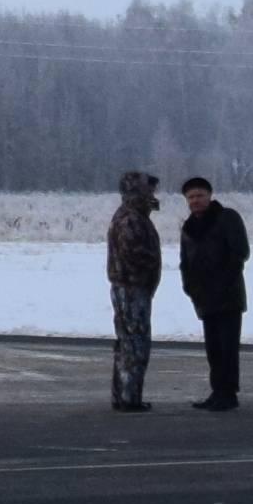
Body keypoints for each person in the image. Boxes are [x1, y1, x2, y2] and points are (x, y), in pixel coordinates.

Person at [173, 176, 253, 410]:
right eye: (191, 197)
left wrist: (223, 283)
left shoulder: (227, 218)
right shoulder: (188, 226)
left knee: (228, 348)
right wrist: (189, 286)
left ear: (209, 196)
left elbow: (239, 252)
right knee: (213, 349)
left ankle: (229, 393)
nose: (195, 201)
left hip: (228, 295)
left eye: (199, 196)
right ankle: (217, 390)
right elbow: (184, 261)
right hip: (203, 296)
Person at [100, 174, 165, 413]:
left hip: (129, 287)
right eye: (148, 189)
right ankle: (129, 397)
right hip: (132, 288)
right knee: (135, 342)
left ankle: (125, 395)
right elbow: (136, 255)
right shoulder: (131, 219)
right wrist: (151, 266)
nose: (153, 194)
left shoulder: (130, 216)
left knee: (127, 341)